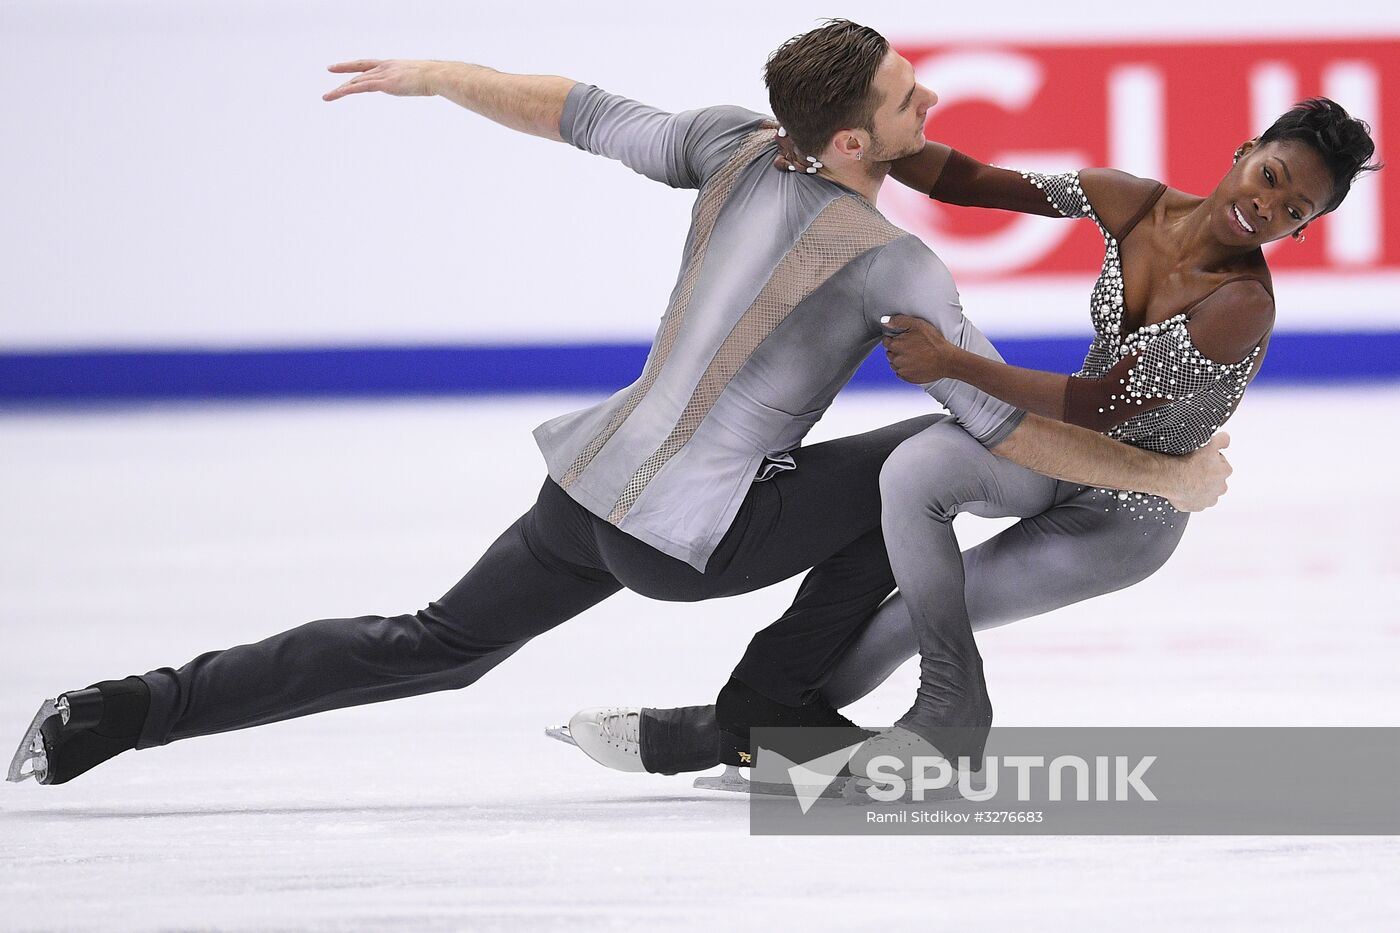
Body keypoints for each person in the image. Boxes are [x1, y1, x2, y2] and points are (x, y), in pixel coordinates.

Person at [7, 21, 1231, 788]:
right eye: (912, 104)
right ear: (855, 144)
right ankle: (768, 709)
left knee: (431, 646)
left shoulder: (734, 143)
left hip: (585, 489)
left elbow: (574, 110)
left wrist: (440, 75)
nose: (932, 117)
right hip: (698, 542)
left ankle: (117, 715)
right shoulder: (893, 262)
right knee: (920, 459)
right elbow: (994, 428)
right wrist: (1167, 477)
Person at [560, 95, 1380, 778]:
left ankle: (911, 708)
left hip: (1125, 511)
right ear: (1245, 151)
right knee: (913, 469)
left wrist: (954, 363)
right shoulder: (1131, 201)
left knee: (893, 625)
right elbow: (974, 182)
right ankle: (761, 718)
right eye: (1270, 177)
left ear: (1302, 229)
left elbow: (1101, 405)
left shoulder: (1242, 304)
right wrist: (865, 141)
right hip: (1060, 458)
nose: (1266, 207)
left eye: (1292, 211)